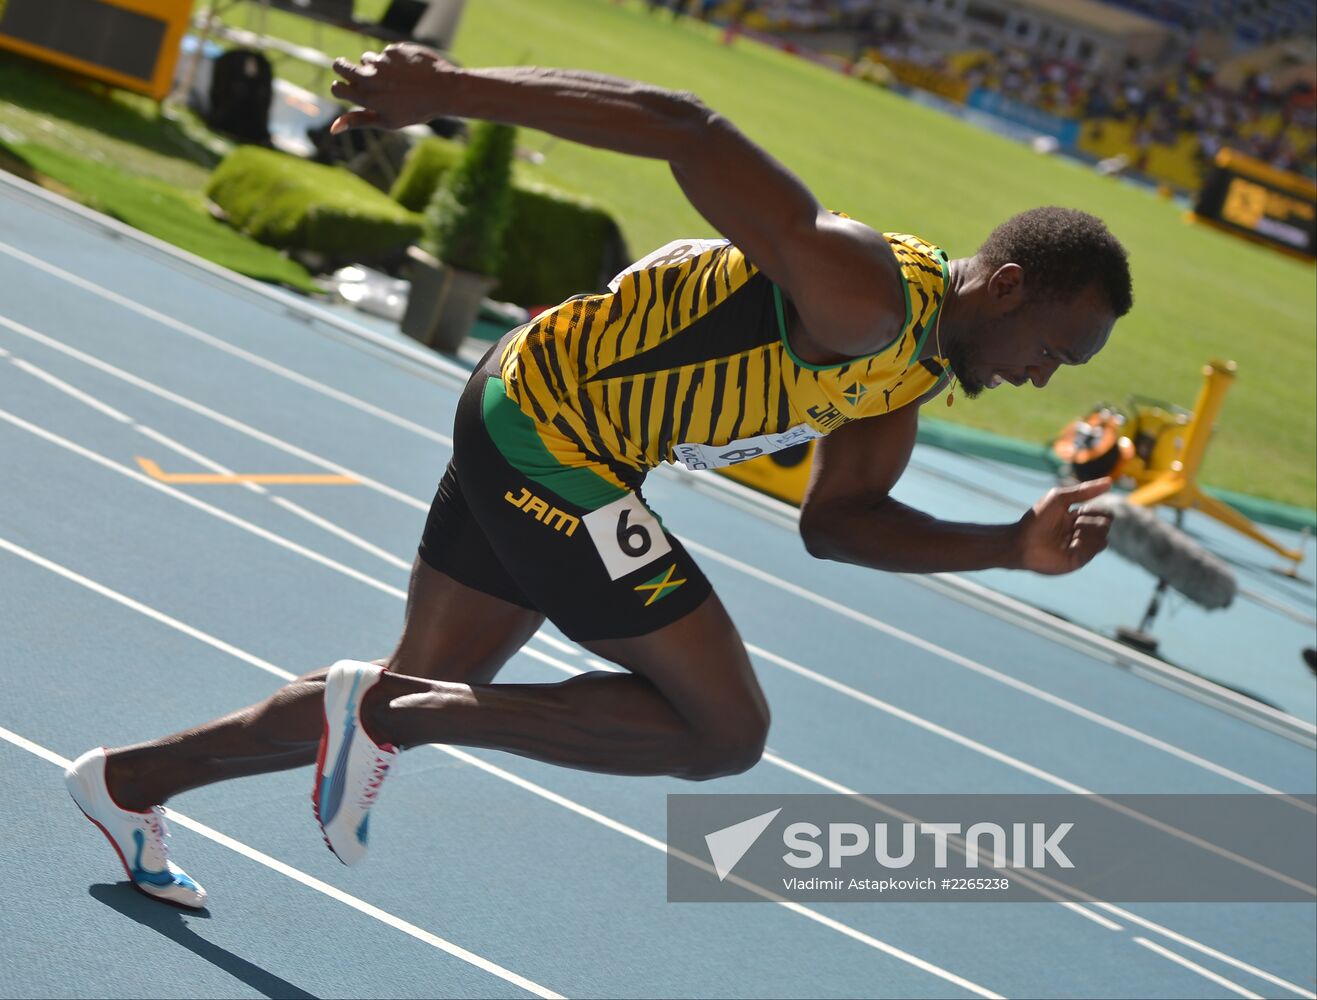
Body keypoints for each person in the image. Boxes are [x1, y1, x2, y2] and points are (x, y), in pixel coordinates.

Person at [64, 43, 1131, 908]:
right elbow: (687, 129)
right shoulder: (865, 292)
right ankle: (403, 718)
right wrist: (446, 89)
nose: (1042, 379)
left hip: (547, 427)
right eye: (1053, 349)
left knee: (407, 680)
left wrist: (1009, 548)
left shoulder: (905, 370)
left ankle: (131, 781)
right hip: (548, 440)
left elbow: (840, 521)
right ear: (1008, 285)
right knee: (725, 730)